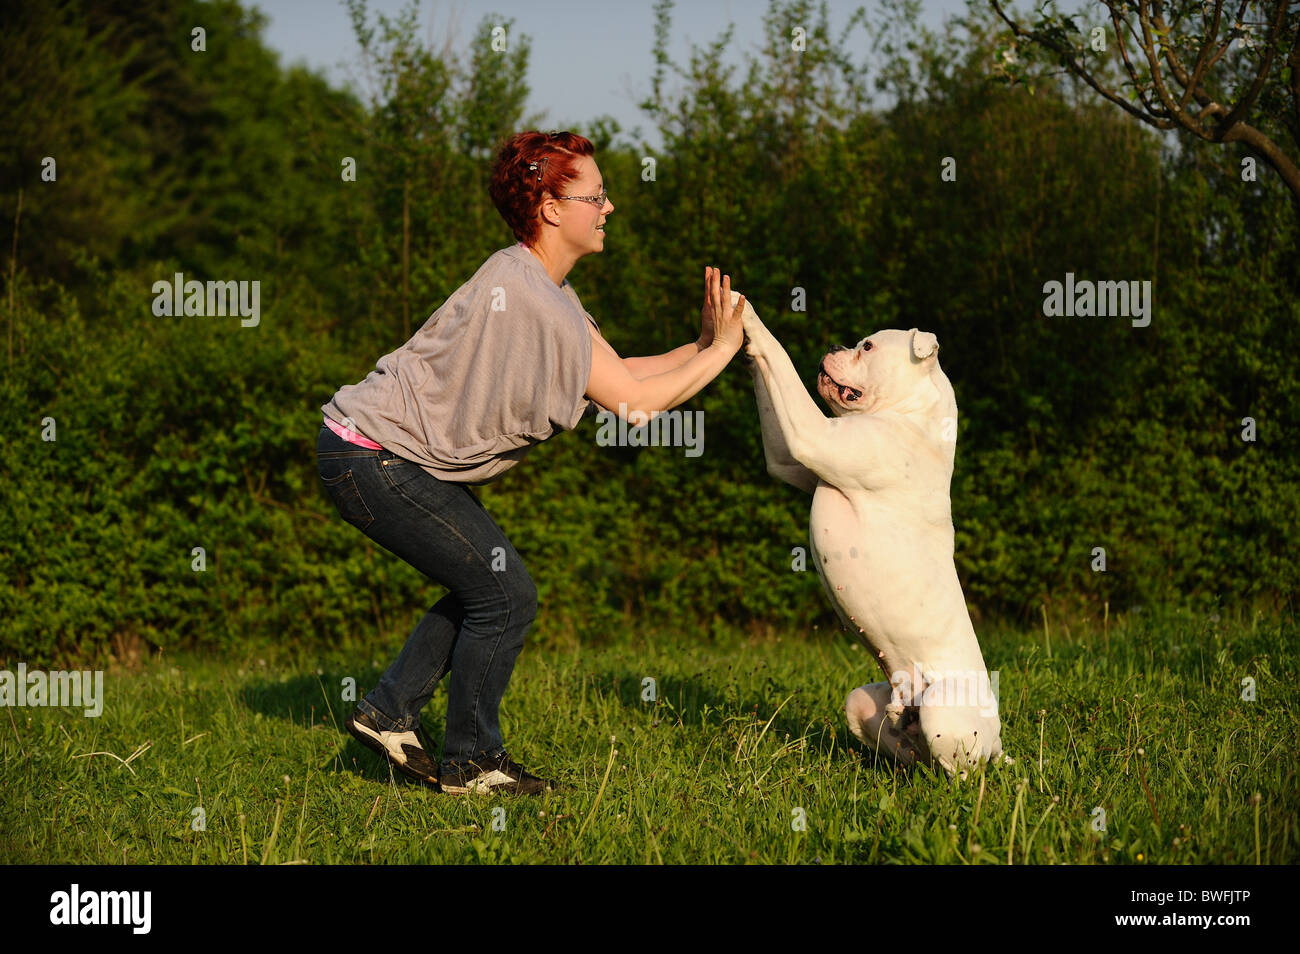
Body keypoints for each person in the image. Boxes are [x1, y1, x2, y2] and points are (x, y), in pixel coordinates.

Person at [316, 130, 746, 795]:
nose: (609, 207)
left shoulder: (540, 286)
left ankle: (391, 712)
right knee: (505, 593)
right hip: (372, 456)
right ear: (550, 206)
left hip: (369, 451)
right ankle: (472, 762)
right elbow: (634, 406)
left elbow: (620, 374)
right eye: (595, 195)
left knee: (484, 585)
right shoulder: (534, 297)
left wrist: (703, 343)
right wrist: (725, 353)